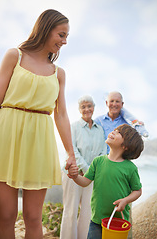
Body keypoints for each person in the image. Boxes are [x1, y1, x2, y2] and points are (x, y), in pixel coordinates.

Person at [0, 9, 76, 239]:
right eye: (61, 35)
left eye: (66, 37)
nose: (64, 41)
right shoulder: (15, 56)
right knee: (5, 215)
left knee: (33, 216)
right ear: (45, 28)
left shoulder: (58, 73)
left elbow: (60, 115)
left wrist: (70, 152)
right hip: (6, 138)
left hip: (39, 143)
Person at [68, 124, 144, 239]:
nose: (113, 132)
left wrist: (125, 200)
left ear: (126, 146)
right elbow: (85, 182)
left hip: (118, 222)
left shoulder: (130, 168)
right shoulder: (98, 161)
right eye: (114, 130)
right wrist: (75, 176)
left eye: (119, 133)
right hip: (97, 219)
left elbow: (137, 191)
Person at [60, 95, 107, 239]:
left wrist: (93, 172)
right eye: (83, 107)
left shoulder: (100, 129)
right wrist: (88, 169)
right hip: (74, 174)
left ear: (94, 107)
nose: (87, 109)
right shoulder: (73, 127)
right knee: (70, 211)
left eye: (89, 106)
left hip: (92, 176)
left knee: (87, 211)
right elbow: (72, 149)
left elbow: (103, 151)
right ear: (79, 109)